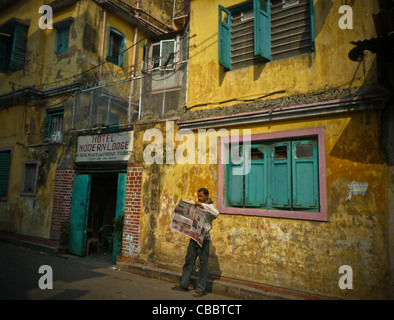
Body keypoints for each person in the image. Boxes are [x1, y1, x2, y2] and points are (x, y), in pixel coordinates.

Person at [172, 188, 219, 297]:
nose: (199, 198)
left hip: (204, 239)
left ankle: (200, 289)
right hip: (194, 237)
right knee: (189, 260)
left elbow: (216, 213)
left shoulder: (210, 207)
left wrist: (203, 205)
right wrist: (178, 210)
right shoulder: (196, 206)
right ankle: (184, 285)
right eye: (198, 196)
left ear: (207, 196)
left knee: (203, 264)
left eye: (201, 196)